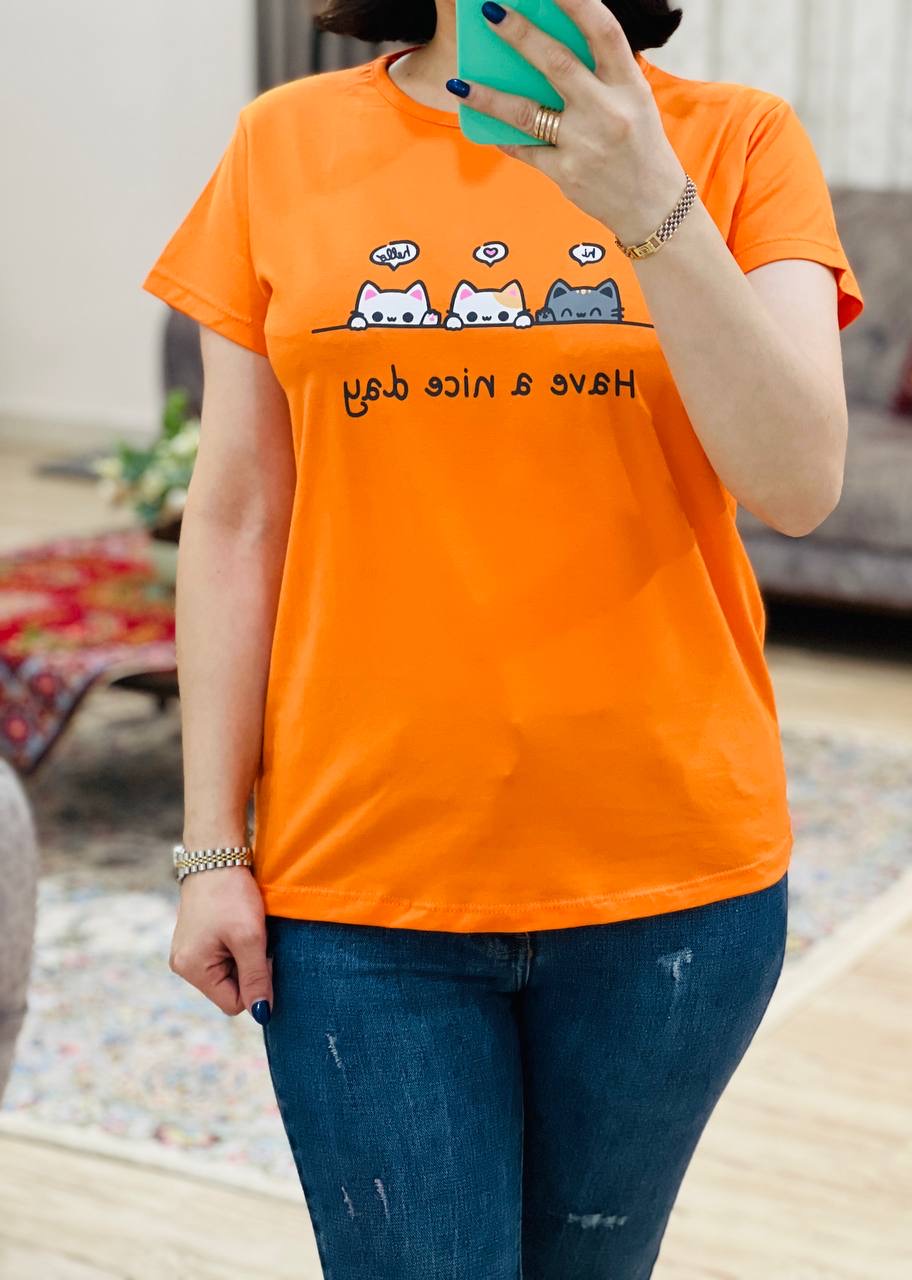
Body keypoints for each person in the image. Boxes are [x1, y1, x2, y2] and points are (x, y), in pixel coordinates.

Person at [141, 0, 864, 1274]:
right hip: (357, 885)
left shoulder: (738, 139)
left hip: (670, 885)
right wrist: (211, 844)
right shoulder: (282, 142)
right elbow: (241, 512)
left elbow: (800, 484)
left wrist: (651, 201)